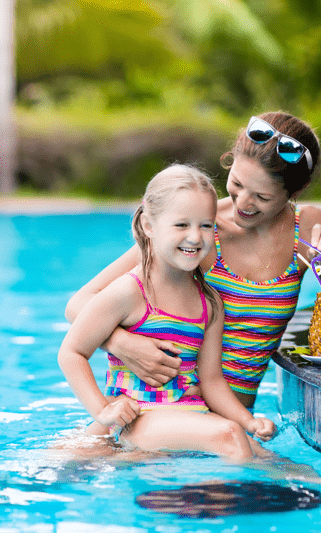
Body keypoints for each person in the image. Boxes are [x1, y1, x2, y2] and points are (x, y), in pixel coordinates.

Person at [65, 111, 321, 409]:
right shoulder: (199, 229)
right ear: (229, 162)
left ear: (296, 192)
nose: (243, 204)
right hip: (168, 408)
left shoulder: (308, 229)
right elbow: (80, 303)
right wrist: (123, 345)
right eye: (236, 184)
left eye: (262, 197)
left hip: (235, 417)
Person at [58, 164, 275, 462]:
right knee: (230, 438)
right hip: (140, 416)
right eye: (182, 225)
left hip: (189, 412)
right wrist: (103, 411)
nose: (196, 237)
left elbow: (211, 381)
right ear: (149, 226)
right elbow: (71, 351)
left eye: (206, 225)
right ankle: (235, 507)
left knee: (266, 455)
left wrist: (248, 421)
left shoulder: (209, 303)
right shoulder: (130, 291)